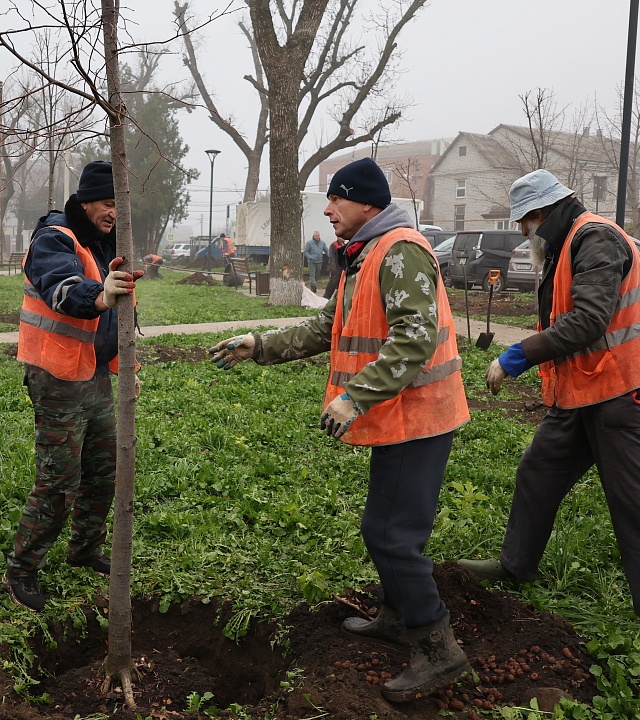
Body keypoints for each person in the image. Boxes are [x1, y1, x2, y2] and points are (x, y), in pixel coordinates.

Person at [208, 158, 471, 702]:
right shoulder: (367, 255)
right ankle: (398, 616)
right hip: (399, 415)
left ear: (367, 203)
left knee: (391, 534)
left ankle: (439, 648)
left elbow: (414, 340)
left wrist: (355, 397)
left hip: (418, 418)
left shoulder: (399, 251)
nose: (327, 210)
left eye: (337, 199)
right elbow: (331, 325)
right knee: (388, 527)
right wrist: (260, 345)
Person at [459, 169, 640, 660]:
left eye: (526, 224)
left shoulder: (595, 239)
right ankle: (516, 565)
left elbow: (589, 320)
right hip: (581, 393)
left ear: (542, 214)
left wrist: (516, 356)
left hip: (624, 391)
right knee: (538, 472)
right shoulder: (564, 243)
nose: (524, 234)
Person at [4, 160, 142, 612]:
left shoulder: (107, 244)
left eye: (118, 207)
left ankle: (84, 550)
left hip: (94, 375)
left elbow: (120, 317)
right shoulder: (55, 239)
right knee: (59, 481)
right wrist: (100, 294)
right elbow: (62, 290)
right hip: (56, 377)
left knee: (104, 470)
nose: (113, 215)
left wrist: (128, 371)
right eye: (107, 205)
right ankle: (21, 569)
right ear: (85, 202)